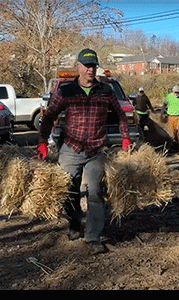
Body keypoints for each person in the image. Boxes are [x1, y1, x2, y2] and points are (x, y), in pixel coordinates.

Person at [37, 48, 131, 254]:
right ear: (78, 67)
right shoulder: (66, 91)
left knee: (96, 193)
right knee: (69, 191)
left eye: (93, 66)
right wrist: (42, 142)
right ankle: (74, 220)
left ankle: (93, 236)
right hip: (70, 148)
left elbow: (121, 115)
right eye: (86, 65)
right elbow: (49, 116)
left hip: (96, 149)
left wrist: (125, 138)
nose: (90, 69)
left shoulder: (106, 91)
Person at [163, 85, 179, 152]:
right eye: (175, 92)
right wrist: (163, 113)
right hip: (171, 117)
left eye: (177, 92)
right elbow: (164, 105)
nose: (176, 94)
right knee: (172, 133)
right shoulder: (168, 97)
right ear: (173, 92)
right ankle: (175, 145)